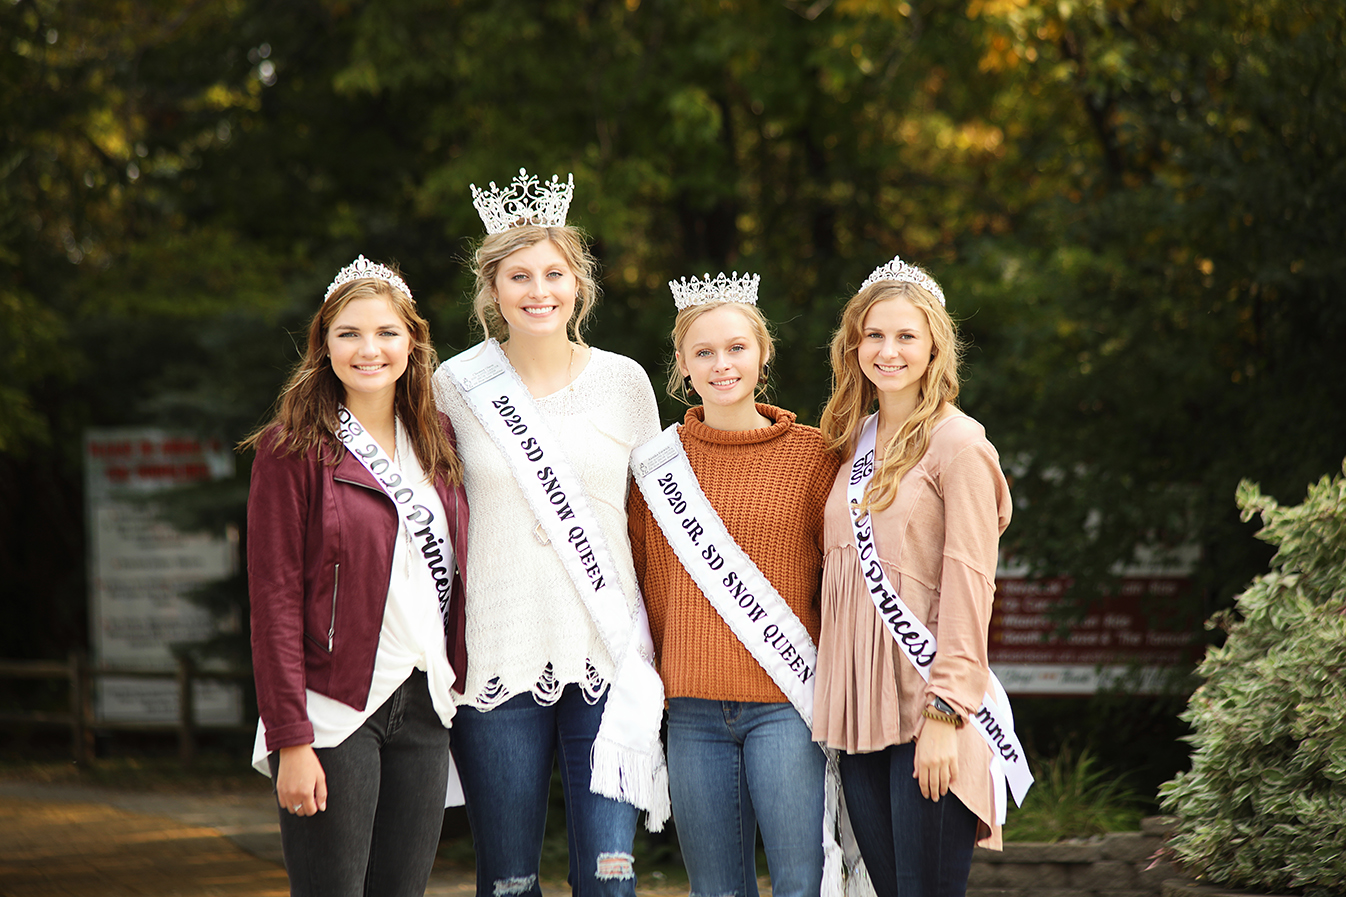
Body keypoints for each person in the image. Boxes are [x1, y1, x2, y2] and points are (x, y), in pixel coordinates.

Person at [433, 169, 668, 897]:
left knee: (609, 880)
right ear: (492, 289)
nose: (539, 290)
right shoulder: (454, 385)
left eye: (554, 274)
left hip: (607, 654)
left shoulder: (625, 381)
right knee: (508, 883)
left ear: (578, 283)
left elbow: (654, 524)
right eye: (520, 276)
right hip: (496, 654)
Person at [242, 255, 470, 897]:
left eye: (386, 332)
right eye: (349, 334)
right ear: (324, 345)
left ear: (412, 342)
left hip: (425, 704)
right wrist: (290, 739)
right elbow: (274, 603)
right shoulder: (291, 448)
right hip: (333, 709)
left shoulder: (439, 439)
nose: (369, 349)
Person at [813, 255, 1025, 897]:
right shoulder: (851, 443)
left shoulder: (959, 445)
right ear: (854, 346)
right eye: (874, 335)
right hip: (860, 716)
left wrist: (946, 713)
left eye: (906, 335)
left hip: (929, 711)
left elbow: (969, 584)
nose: (889, 351)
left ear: (934, 345)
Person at [627, 272, 842, 897]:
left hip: (786, 704)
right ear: (682, 365)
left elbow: (840, 584)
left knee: (801, 884)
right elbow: (643, 587)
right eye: (704, 352)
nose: (722, 364)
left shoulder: (815, 457)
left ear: (763, 352)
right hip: (691, 710)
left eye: (736, 347)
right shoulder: (654, 466)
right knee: (716, 890)